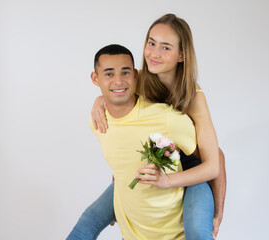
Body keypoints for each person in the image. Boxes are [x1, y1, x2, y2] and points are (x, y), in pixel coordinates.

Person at [67, 14, 226, 240]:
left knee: (198, 234)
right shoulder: (139, 79)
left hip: (191, 171)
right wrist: (99, 101)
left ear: (182, 55)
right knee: (88, 222)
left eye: (165, 47)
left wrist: (218, 212)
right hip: (151, 168)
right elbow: (118, 100)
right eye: (151, 43)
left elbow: (215, 160)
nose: (153, 53)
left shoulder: (193, 97)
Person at [89, 43, 200, 239]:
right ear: (95, 78)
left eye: (125, 73)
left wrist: (217, 212)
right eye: (109, 74)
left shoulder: (175, 110)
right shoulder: (99, 119)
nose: (118, 80)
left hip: (181, 200)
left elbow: (211, 156)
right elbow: (121, 154)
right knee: (85, 225)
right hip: (134, 227)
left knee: (199, 232)